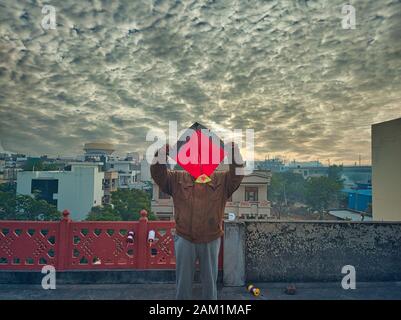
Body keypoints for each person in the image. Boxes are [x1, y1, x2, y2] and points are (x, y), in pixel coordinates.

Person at [150, 142, 244, 300]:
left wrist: (234, 153)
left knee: (209, 284)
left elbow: (238, 174)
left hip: (211, 239)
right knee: (183, 285)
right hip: (184, 239)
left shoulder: (222, 180)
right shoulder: (177, 178)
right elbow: (159, 175)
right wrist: (160, 154)